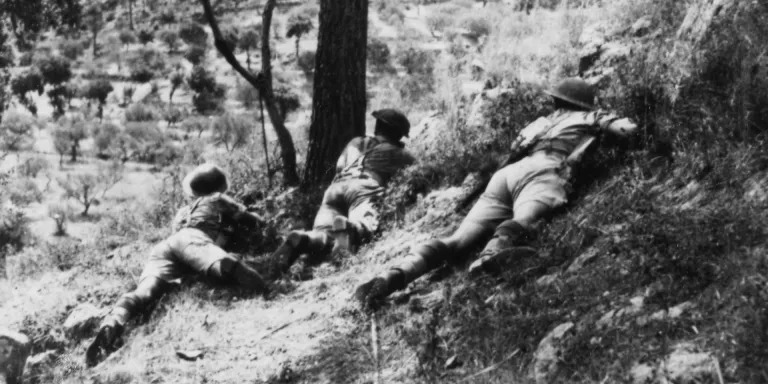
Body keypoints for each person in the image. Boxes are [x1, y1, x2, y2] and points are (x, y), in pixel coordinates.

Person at [355, 78, 639, 309]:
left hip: (505, 176)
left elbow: (512, 152)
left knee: (455, 241)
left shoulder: (538, 122)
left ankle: (394, 276)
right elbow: (627, 131)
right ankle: (490, 256)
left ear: (558, 100)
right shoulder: (591, 115)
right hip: (547, 170)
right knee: (525, 221)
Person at [86, 163, 269, 367]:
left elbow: (180, 242)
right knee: (219, 264)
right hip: (193, 240)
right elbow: (255, 221)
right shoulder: (217, 199)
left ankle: (114, 321)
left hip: (165, 247)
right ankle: (237, 271)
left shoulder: (182, 212)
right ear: (219, 186)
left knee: (144, 292)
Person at [271, 109, 416, 275]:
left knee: (323, 234)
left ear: (377, 127)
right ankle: (351, 230)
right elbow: (419, 166)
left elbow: (340, 166)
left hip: (334, 190)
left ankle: (304, 239)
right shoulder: (394, 151)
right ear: (397, 134)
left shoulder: (355, 142)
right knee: (367, 224)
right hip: (363, 188)